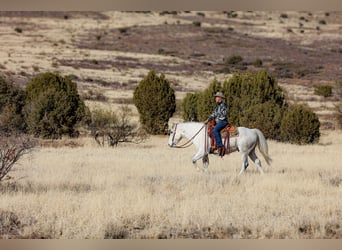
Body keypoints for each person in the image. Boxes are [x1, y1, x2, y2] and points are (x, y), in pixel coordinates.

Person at [204, 91, 228, 157]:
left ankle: (220, 146)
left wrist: (215, 119)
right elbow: (213, 114)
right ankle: (213, 146)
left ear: (220, 98)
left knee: (215, 130)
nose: (215, 99)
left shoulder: (223, 105)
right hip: (218, 122)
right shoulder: (217, 106)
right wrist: (208, 120)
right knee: (210, 130)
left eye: (216, 97)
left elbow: (223, 115)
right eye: (215, 97)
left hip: (223, 122)